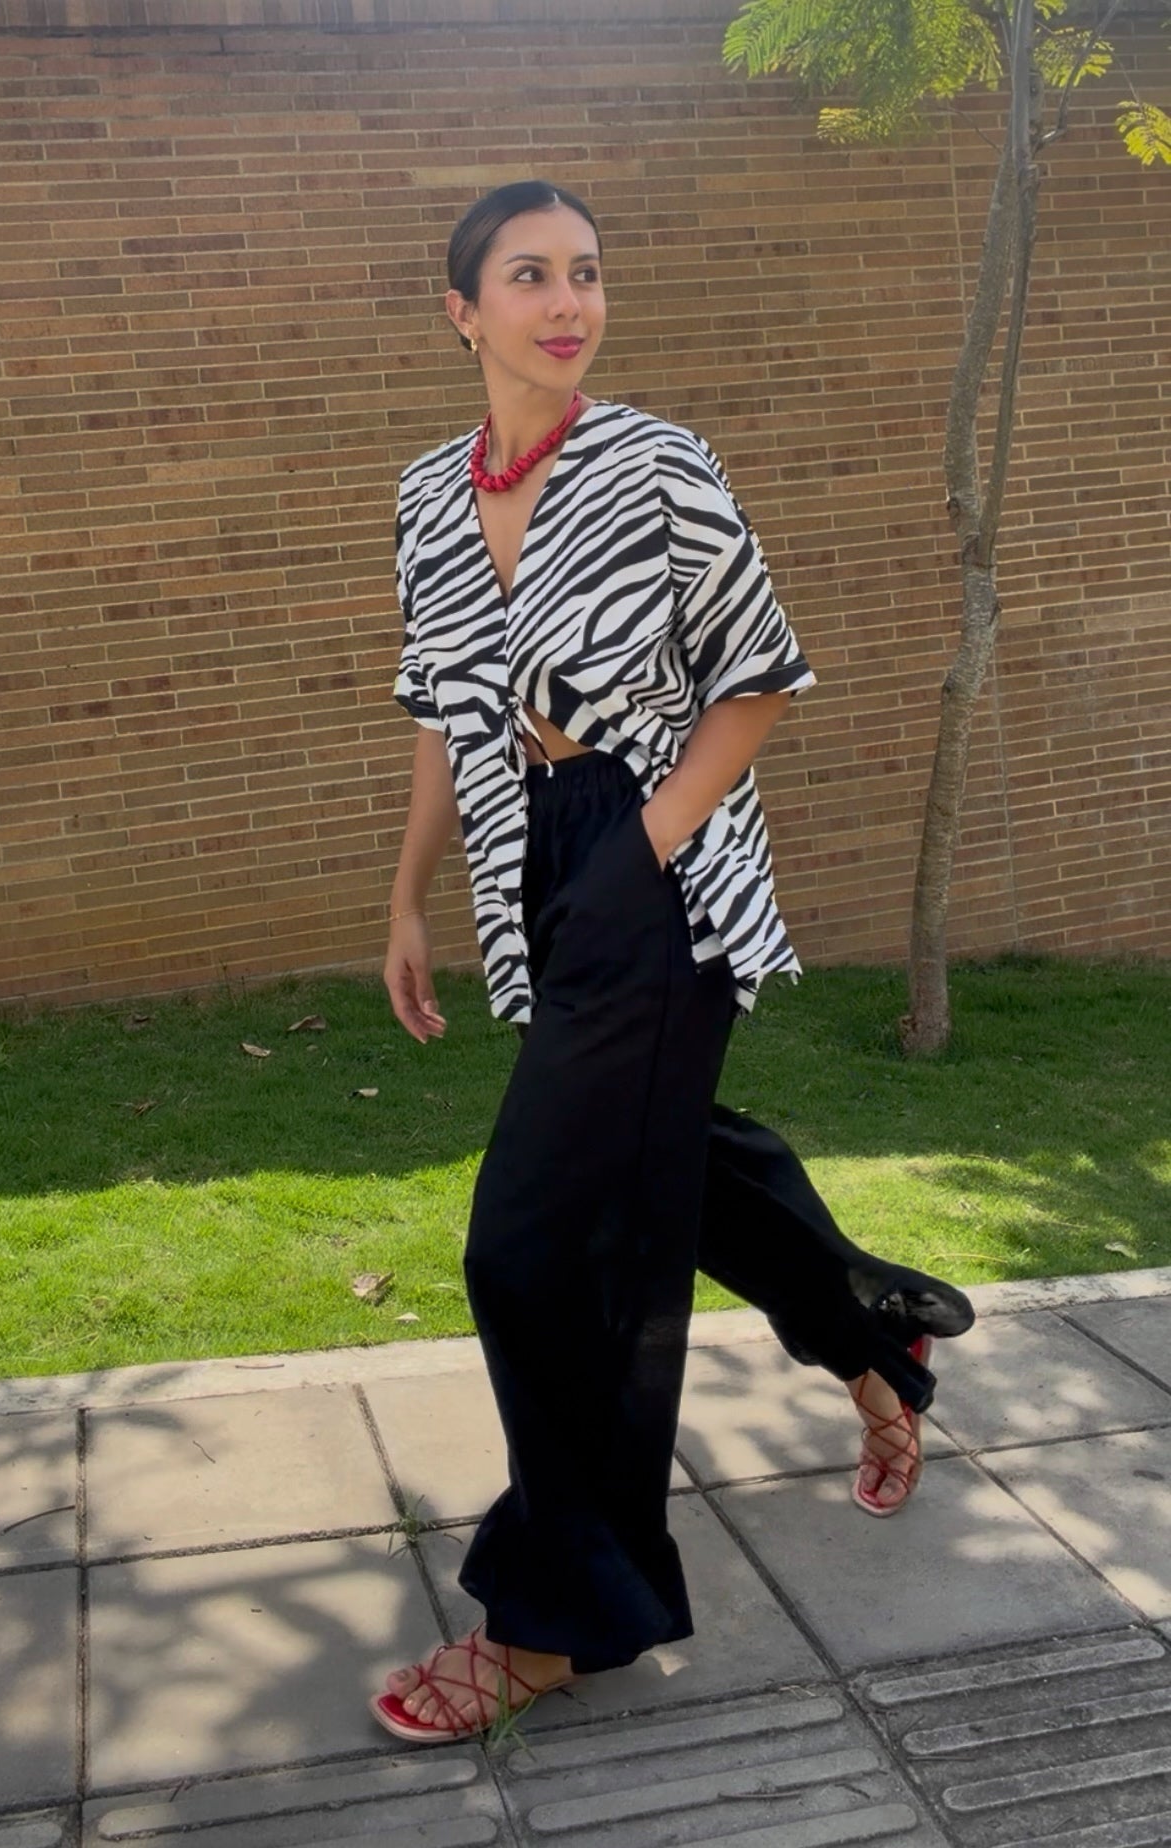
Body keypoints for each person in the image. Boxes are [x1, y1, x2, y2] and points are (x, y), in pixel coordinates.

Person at [372, 180, 972, 1745]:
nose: (567, 300)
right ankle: (875, 1337)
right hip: (528, 865)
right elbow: (444, 710)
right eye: (528, 275)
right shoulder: (430, 495)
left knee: (535, 1245)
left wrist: (638, 850)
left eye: (585, 271)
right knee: (664, 1159)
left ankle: (558, 1616)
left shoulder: (657, 464)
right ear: (463, 312)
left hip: (659, 862)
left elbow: (756, 681)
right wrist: (410, 896)